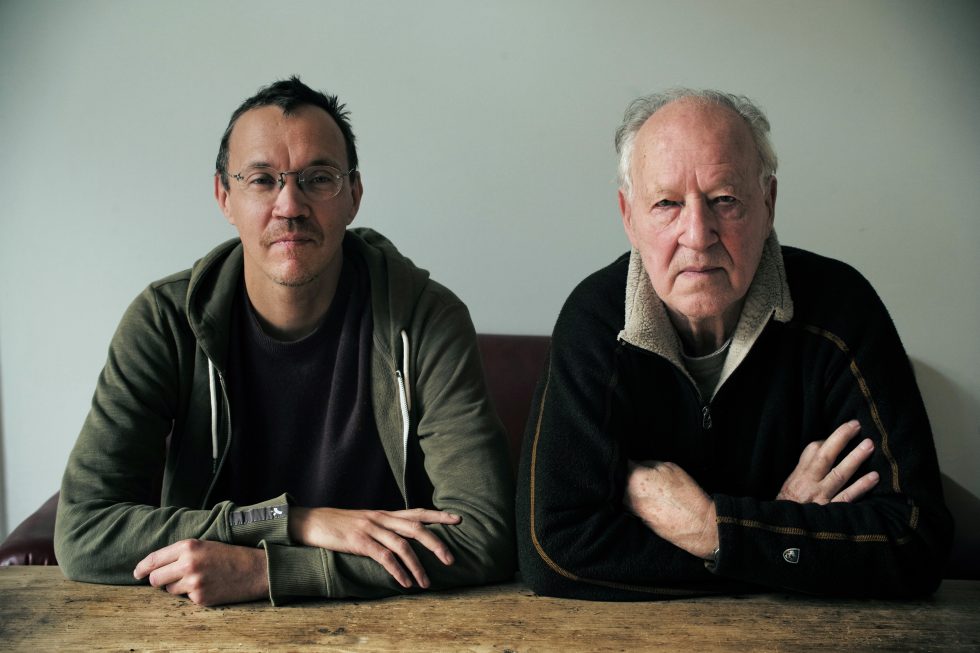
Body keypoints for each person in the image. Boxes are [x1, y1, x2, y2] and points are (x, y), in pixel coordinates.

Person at [55, 77, 515, 606]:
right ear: (224, 197)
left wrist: (270, 572)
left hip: (388, 627)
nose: (290, 204)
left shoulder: (426, 318)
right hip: (200, 630)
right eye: (261, 179)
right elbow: (84, 533)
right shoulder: (164, 322)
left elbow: (486, 535)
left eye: (319, 178)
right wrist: (291, 521)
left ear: (354, 197)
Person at [517, 89, 952, 599]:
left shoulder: (842, 307)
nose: (698, 234)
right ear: (628, 216)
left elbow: (915, 542)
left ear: (767, 203)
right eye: (666, 204)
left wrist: (712, 528)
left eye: (725, 199)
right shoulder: (595, 317)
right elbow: (553, 552)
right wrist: (781, 536)